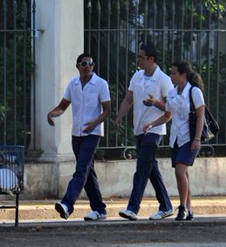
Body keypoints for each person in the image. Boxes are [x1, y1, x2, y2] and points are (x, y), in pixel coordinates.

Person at [113, 44, 175, 221]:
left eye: (141, 57)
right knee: (150, 168)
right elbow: (128, 99)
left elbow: (170, 110)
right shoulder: (137, 76)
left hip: (154, 130)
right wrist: (119, 116)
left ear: (151, 59)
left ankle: (132, 208)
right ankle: (166, 206)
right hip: (139, 129)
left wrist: (155, 103)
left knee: (141, 168)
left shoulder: (163, 79)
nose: (138, 59)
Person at [48, 53, 111, 221]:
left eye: (91, 63)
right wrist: (52, 114)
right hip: (77, 134)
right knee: (88, 172)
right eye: (84, 63)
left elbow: (107, 110)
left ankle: (67, 204)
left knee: (81, 169)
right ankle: (99, 209)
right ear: (78, 66)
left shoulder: (101, 84)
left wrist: (94, 123)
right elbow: (63, 106)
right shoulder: (73, 84)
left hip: (93, 134)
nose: (88, 66)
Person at [142, 61, 206, 221]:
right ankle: (190, 209)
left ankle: (182, 207)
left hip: (190, 138)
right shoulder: (171, 93)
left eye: (174, 73)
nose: (171, 76)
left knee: (179, 172)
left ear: (183, 75)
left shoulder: (194, 92)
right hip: (176, 139)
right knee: (183, 173)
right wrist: (151, 124)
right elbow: (167, 115)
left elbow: (200, 117)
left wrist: (197, 138)